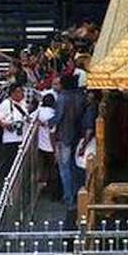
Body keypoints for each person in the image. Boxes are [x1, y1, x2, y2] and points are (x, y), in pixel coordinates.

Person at [52, 75, 86, 206]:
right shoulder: (80, 96)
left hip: (64, 136)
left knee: (64, 168)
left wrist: (48, 122)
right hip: (77, 134)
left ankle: (69, 197)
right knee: (75, 166)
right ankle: (78, 193)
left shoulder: (62, 98)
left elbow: (58, 117)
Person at [0, 83, 29, 172]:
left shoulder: (22, 103)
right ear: (13, 93)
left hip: (22, 138)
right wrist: (5, 125)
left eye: (21, 92)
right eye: (19, 92)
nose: (21, 94)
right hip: (11, 140)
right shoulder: (6, 104)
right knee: (11, 164)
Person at [35, 93, 60, 200]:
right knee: (53, 171)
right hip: (50, 147)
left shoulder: (38, 111)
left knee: (44, 169)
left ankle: (44, 189)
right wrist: (55, 151)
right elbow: (52, 133)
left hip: (41, 146)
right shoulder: (53, 115)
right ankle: (54, 194)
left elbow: (29, 119)